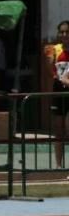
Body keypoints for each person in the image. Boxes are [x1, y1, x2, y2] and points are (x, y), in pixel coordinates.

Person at [50, 21, 69, 169]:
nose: (64, 35)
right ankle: (58, 165)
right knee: (58, 130)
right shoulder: (54, 50)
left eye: (67, 32)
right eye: (62, 32)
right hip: (58, 91)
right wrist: (49, 64)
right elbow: (51, 71)